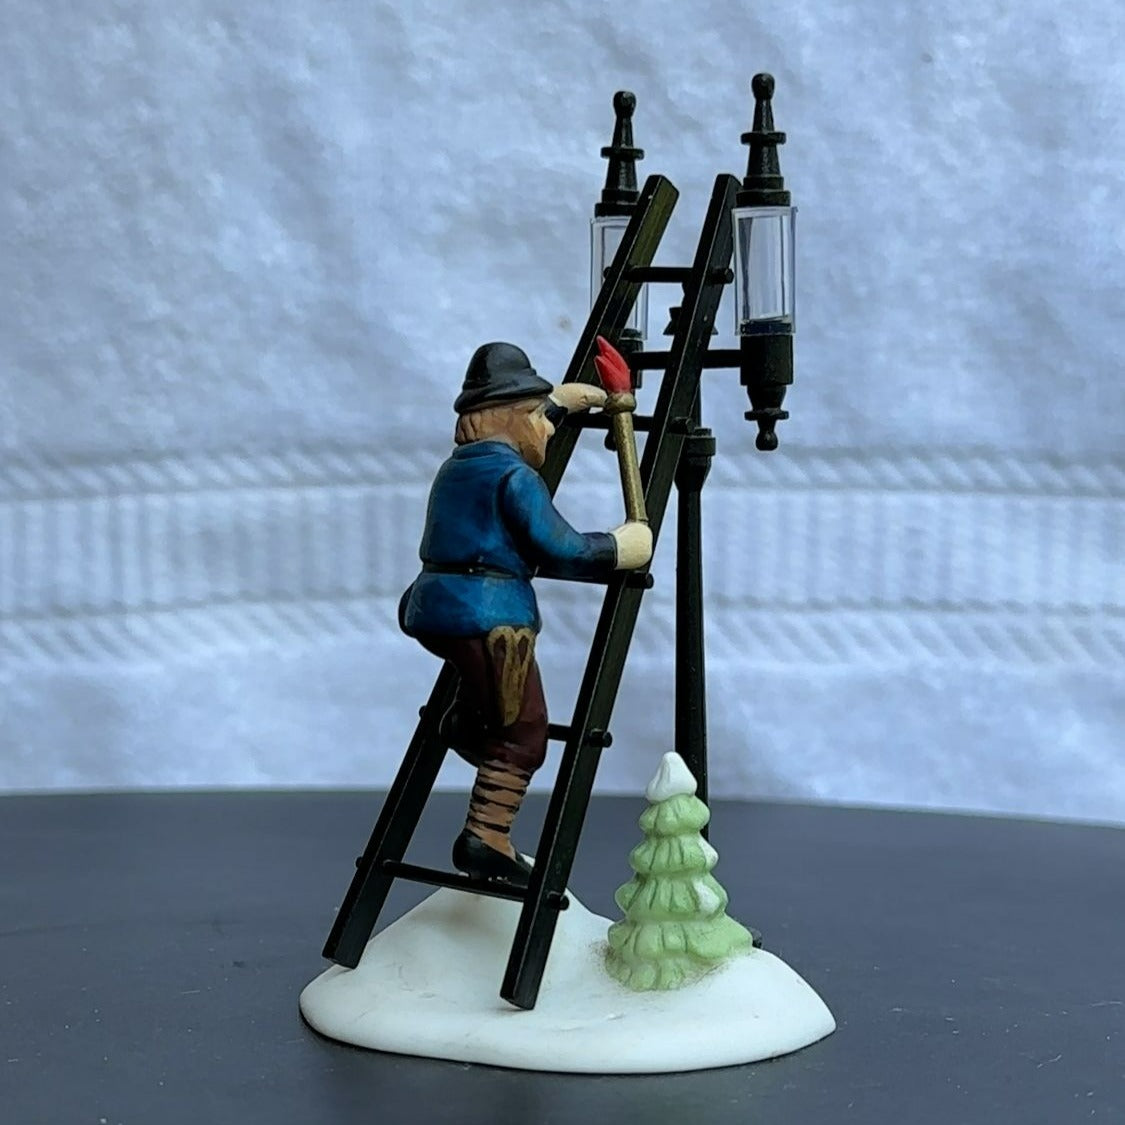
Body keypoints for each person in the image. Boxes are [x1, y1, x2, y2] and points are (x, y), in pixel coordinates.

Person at [399, 341, 652, 887]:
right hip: (487, 617)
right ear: (512, 419)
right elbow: (560, 548)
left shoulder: (456, 468)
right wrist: (620, 547)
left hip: (433, 608)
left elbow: (525, 434)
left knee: (488, 696)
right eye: (537, 416)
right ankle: (486, 836)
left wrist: (558, 404)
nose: (545, 428)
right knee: (525, 733)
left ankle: (467, 724)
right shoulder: (515, 479)